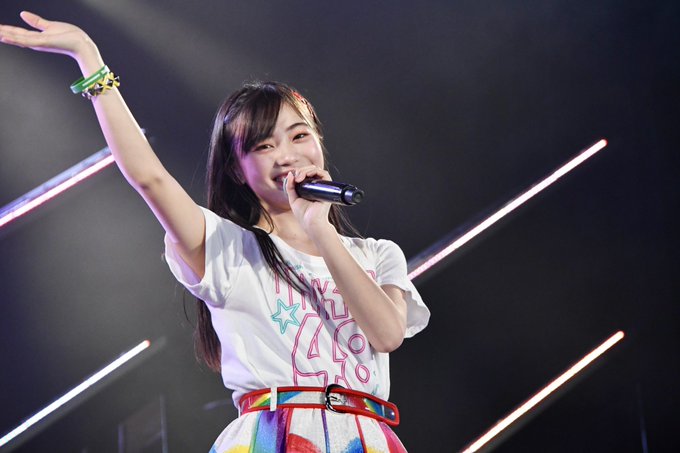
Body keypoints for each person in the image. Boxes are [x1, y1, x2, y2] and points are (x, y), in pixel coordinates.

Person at [0, 11, 430, 452]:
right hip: (276, 435)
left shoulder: (378, 254)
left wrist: (318, 227)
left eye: (299, 136)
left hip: (366, 437)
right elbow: (150, 178)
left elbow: (387, 334)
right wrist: (89, 59)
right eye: (263, 145)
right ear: (237, 170)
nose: (286, 155)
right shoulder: (227, 248)